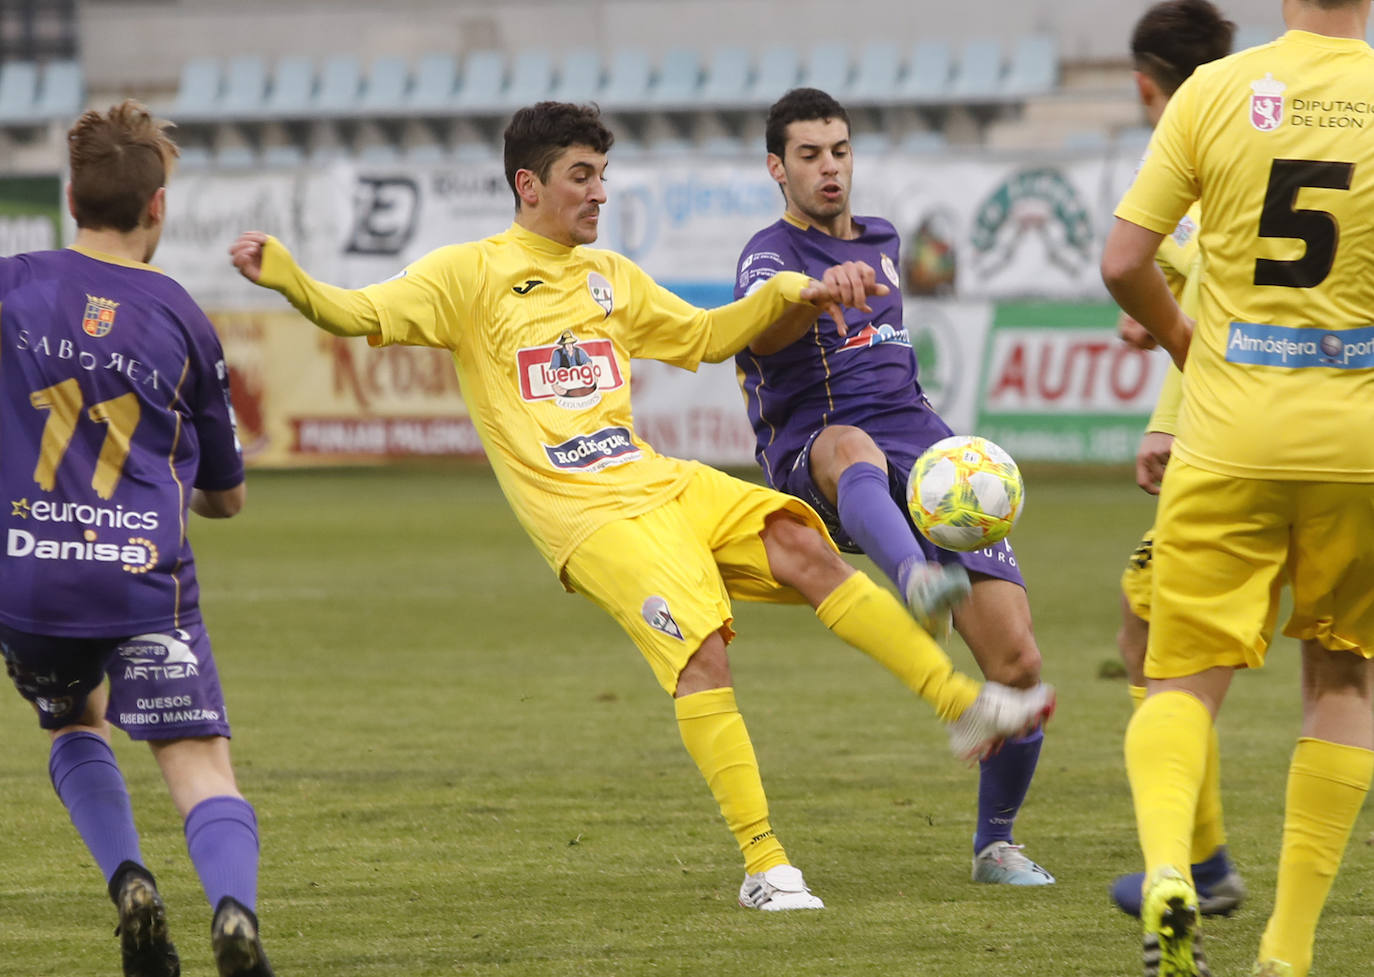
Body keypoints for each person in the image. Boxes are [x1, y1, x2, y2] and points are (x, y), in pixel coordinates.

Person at [229, 100, 1054, 911]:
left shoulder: (610, 277)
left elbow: (705, 335)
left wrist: (794, 296)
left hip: (658, 479)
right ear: (528, 185)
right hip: (587, 516)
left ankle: (962, 706)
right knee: (703, 653)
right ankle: (765, 864)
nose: (598, 192)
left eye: (603, 175)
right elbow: (359, 311)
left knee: (807, 550)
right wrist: (290, 278)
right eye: (580, 176)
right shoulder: (468, 274)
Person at [1102, 2, 1374, 974]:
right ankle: (1287, 952)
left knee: (1177, 677)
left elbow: (1125, 260)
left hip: (1227, 434)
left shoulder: (1215, 89)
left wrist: (1188, 346)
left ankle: (1173, 870)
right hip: (1359, 442)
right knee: (1342, 680)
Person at [732, 87, 1054, 886]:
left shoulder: (883, 240)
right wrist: (813, 298)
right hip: (818, 451)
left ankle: (996, 844)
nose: (829, 167)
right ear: (778, 167)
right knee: (850, 443)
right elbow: (758, 329)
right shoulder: (768, 255)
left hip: (921, 446)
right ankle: (914, 578)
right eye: (809, 154)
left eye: (838, 149)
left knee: (1018, 661)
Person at [0, 100, 275, 977]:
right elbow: (226, 499)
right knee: (196, 762)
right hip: (141, 580)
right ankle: (232, 911)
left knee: (74, 725)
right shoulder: (182, 317)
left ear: (70, 192)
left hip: (29, 581)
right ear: (158, 207)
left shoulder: (10, 287)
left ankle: (129, 880)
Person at [1107, 0, 1246, 921]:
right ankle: (1210, 863)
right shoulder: (1260, 126)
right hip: (1329, 426)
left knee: (1164, 652)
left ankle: (1199, 868)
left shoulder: (1193, 159)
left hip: (1236, 441)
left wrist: (1164, 417)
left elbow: (1174, 303)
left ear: (1145, 84)